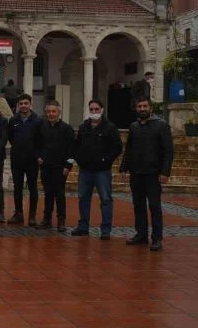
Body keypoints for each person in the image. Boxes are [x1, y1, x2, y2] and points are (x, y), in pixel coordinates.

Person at [120, 96, 174, 251]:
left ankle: (157, 238)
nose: (142, 109)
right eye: (139, 106)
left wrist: (165, 172)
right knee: (138, 205)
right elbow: (129, 149)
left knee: (154, 206)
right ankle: (141, 234)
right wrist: (123, 167)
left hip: (153, 173)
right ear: (136, 108)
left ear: (150, 108)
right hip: (136, 173)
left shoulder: (161, 126)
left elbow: (168, 151)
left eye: (144, 106)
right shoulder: (134, 126)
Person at [71, 99, 123, 239]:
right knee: (83, 198)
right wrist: (79, 159)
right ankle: (83, 226)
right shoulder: (83, 127)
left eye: (96, 109)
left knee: (105, 199)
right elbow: (76, 146)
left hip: (102, 171)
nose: (94, 112)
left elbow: (117, 147)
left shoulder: (110, 127)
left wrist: (106, 160)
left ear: (102, 110)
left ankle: (105, 230)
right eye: (91, 109)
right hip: (85, 170)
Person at [35, 100, 76, 232]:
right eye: (48, 111)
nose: (51, 114)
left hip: (60, 167)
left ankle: (61, 221)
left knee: (60, 194)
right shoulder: (42, 126)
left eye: (54, 111)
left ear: (59, 112)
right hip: (46, 166)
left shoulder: (67, 128)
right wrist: (38, 156)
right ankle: (46, 219)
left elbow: (72, 149)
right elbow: (37, 144)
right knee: (48, 194)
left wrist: (68, 166)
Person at [7, 93, 42, 226]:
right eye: (21, 104)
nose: (23, 106)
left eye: (26, 103)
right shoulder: (13, 120)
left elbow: (40, 140)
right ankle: (18, 213)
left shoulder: (38, 120)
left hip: (32, 160)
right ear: (18, 105)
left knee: (33, 187)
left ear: (30, 105)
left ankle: (32, 215)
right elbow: (11, 137)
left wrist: (37, 154)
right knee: (17, 187)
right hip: (17, 159)